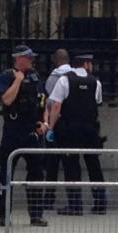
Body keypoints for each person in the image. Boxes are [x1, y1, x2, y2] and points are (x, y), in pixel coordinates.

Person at [0, 45, 48, 227]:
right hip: (13, 130)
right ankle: (4, 216)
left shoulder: (35, 77)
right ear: (18, 58)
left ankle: (36, 215)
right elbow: (7, 100)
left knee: (36, 174)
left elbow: (43, 102)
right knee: (6, 174)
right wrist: (17, 81)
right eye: (28, 57)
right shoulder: (7, 76)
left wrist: (45, 122)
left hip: (32, 131)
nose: (31, 60)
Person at [47, 54, 106, 216]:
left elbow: (56, 106)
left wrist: (51, 128)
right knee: (94, 166)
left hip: (70, 130)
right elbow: (97, 102)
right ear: (86, 64)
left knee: (71, 166)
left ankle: (75, 204)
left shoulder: (65, 80)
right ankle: (100, 203)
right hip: (90, 130)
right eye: (91, 63)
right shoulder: (96, 82)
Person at [43, 49, 72, 210]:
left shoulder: (54, 77)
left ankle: (49, 198)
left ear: (56, 60)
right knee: (71, 164)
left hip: (57, 123)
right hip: (72, 124)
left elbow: (51, 103)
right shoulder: (74, 76)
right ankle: (74, 200)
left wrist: (50, 127)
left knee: (52, 163)